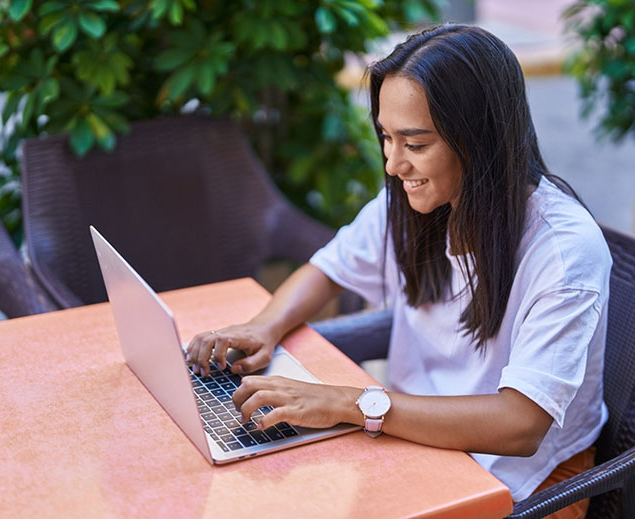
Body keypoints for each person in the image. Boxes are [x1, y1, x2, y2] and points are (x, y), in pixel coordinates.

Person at [186, 24, 611, 518]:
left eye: (415, 144)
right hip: (413, 436)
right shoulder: (414, 203)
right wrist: (265, 326)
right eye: (387, 138)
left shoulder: (563, 251)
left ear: (482, 138)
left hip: (522, 481)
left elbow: (520, 425)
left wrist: (349, 404)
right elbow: (326, 269)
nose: (392, 164)